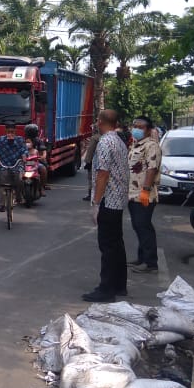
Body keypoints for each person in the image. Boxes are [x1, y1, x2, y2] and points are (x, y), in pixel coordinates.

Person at [84, 109, 130, 302]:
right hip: (118, 200)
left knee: (108, 246)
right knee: (116, 243)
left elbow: (103, 174)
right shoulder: (119, 141)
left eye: (97, 120)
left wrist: (96, 203)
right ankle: (119, 285)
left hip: (108, 200)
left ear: (100, 122)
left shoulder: (104, 142)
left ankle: (106, 289)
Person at [127, 115, 163, 274]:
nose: (136, 129)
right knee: (138, 226)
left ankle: (150, 263)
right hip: (133, 193)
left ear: (148, 130)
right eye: (135, 126)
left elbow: (151, 168)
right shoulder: (136, 144)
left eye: (140, 127)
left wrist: (145, 190)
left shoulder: (151, 146)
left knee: (143, 227)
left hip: (144, 194)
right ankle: (141, 258)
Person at [0, 122, 28, 212]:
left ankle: (19, 197)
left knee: (19, 179)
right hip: (4, 164)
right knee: (2, 183)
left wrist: (24, 157)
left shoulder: (20, 140)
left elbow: (24, 151)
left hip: (17, 164)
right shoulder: (1, 139)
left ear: (15, 132)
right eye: (8, 132)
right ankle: (1, 204)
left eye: (12, 132)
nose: (10, 134)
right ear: (5, 131)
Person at [24, 123, 50, 192]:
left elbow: (43, 151)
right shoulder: (23, 141)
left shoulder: (39, 141)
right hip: (25, 162)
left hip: (36, 161)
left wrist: (43, 156)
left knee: (43, 169)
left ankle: (42, 186)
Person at [82, 126, 101, 201]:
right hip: (102, 162)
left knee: (91, 179)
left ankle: (91, 195)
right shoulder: (105, 137)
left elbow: (90, 151)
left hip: (94, 161)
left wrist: (87, 162)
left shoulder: (94, 138)